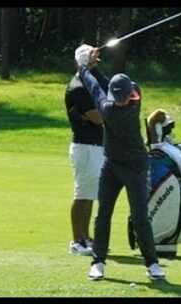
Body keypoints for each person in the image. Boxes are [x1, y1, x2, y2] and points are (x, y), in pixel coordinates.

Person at [75, 47, 166, 281]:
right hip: (112, 166)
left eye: (122, 97)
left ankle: (152, 264)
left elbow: (96, 87)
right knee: (103, 214)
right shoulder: (133, 94)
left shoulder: (109, 108)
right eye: (118, 97)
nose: (122, 101)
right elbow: (105, 85)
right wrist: (94, 68)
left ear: (130, 96)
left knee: (140, 216)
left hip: (135, 165)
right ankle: (98, 263)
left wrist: (85, 66)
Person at [64, 44, 109, 256]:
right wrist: (109, 110)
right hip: (84, 147)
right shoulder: (78, 87)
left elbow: (107, 88)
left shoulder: (89, 82)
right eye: (93, 61)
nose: (96, 63)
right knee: (82, 193)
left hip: (95, 146)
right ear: (83, 62)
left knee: (90, 194)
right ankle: (76, 240)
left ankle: (86, 237)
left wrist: (95, 70)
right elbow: (99, 117)